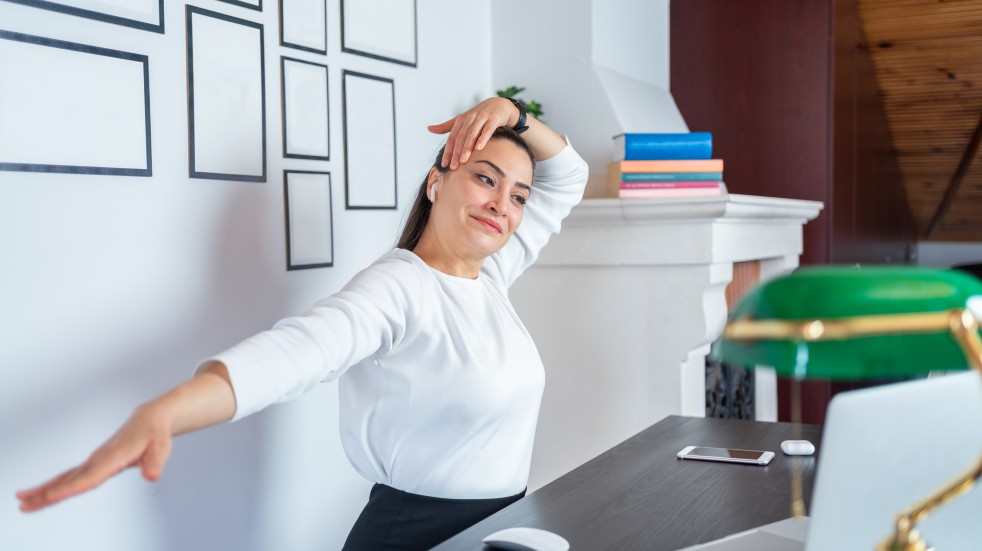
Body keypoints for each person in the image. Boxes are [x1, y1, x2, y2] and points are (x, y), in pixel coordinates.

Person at [16, 97, 589, 549]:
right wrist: (163, 412)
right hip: (418, 536)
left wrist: (512, 115)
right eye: (485, 179)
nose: (503, 206)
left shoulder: (490, 275)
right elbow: (298, 352)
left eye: (518, 196)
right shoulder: (399, 287)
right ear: (437, 182)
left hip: (501, 527)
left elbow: (569, 177)